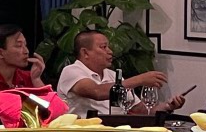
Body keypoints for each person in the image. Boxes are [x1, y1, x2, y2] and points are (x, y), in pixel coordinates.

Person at [56, 30, 185, 116]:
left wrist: (168, 106)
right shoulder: (72, 71)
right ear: (85, 53)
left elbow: (140, 110)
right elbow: (97, 92)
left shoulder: (112, 75)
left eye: (108, 47)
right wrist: (140, 80)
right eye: (103, 47)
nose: (110, 51)